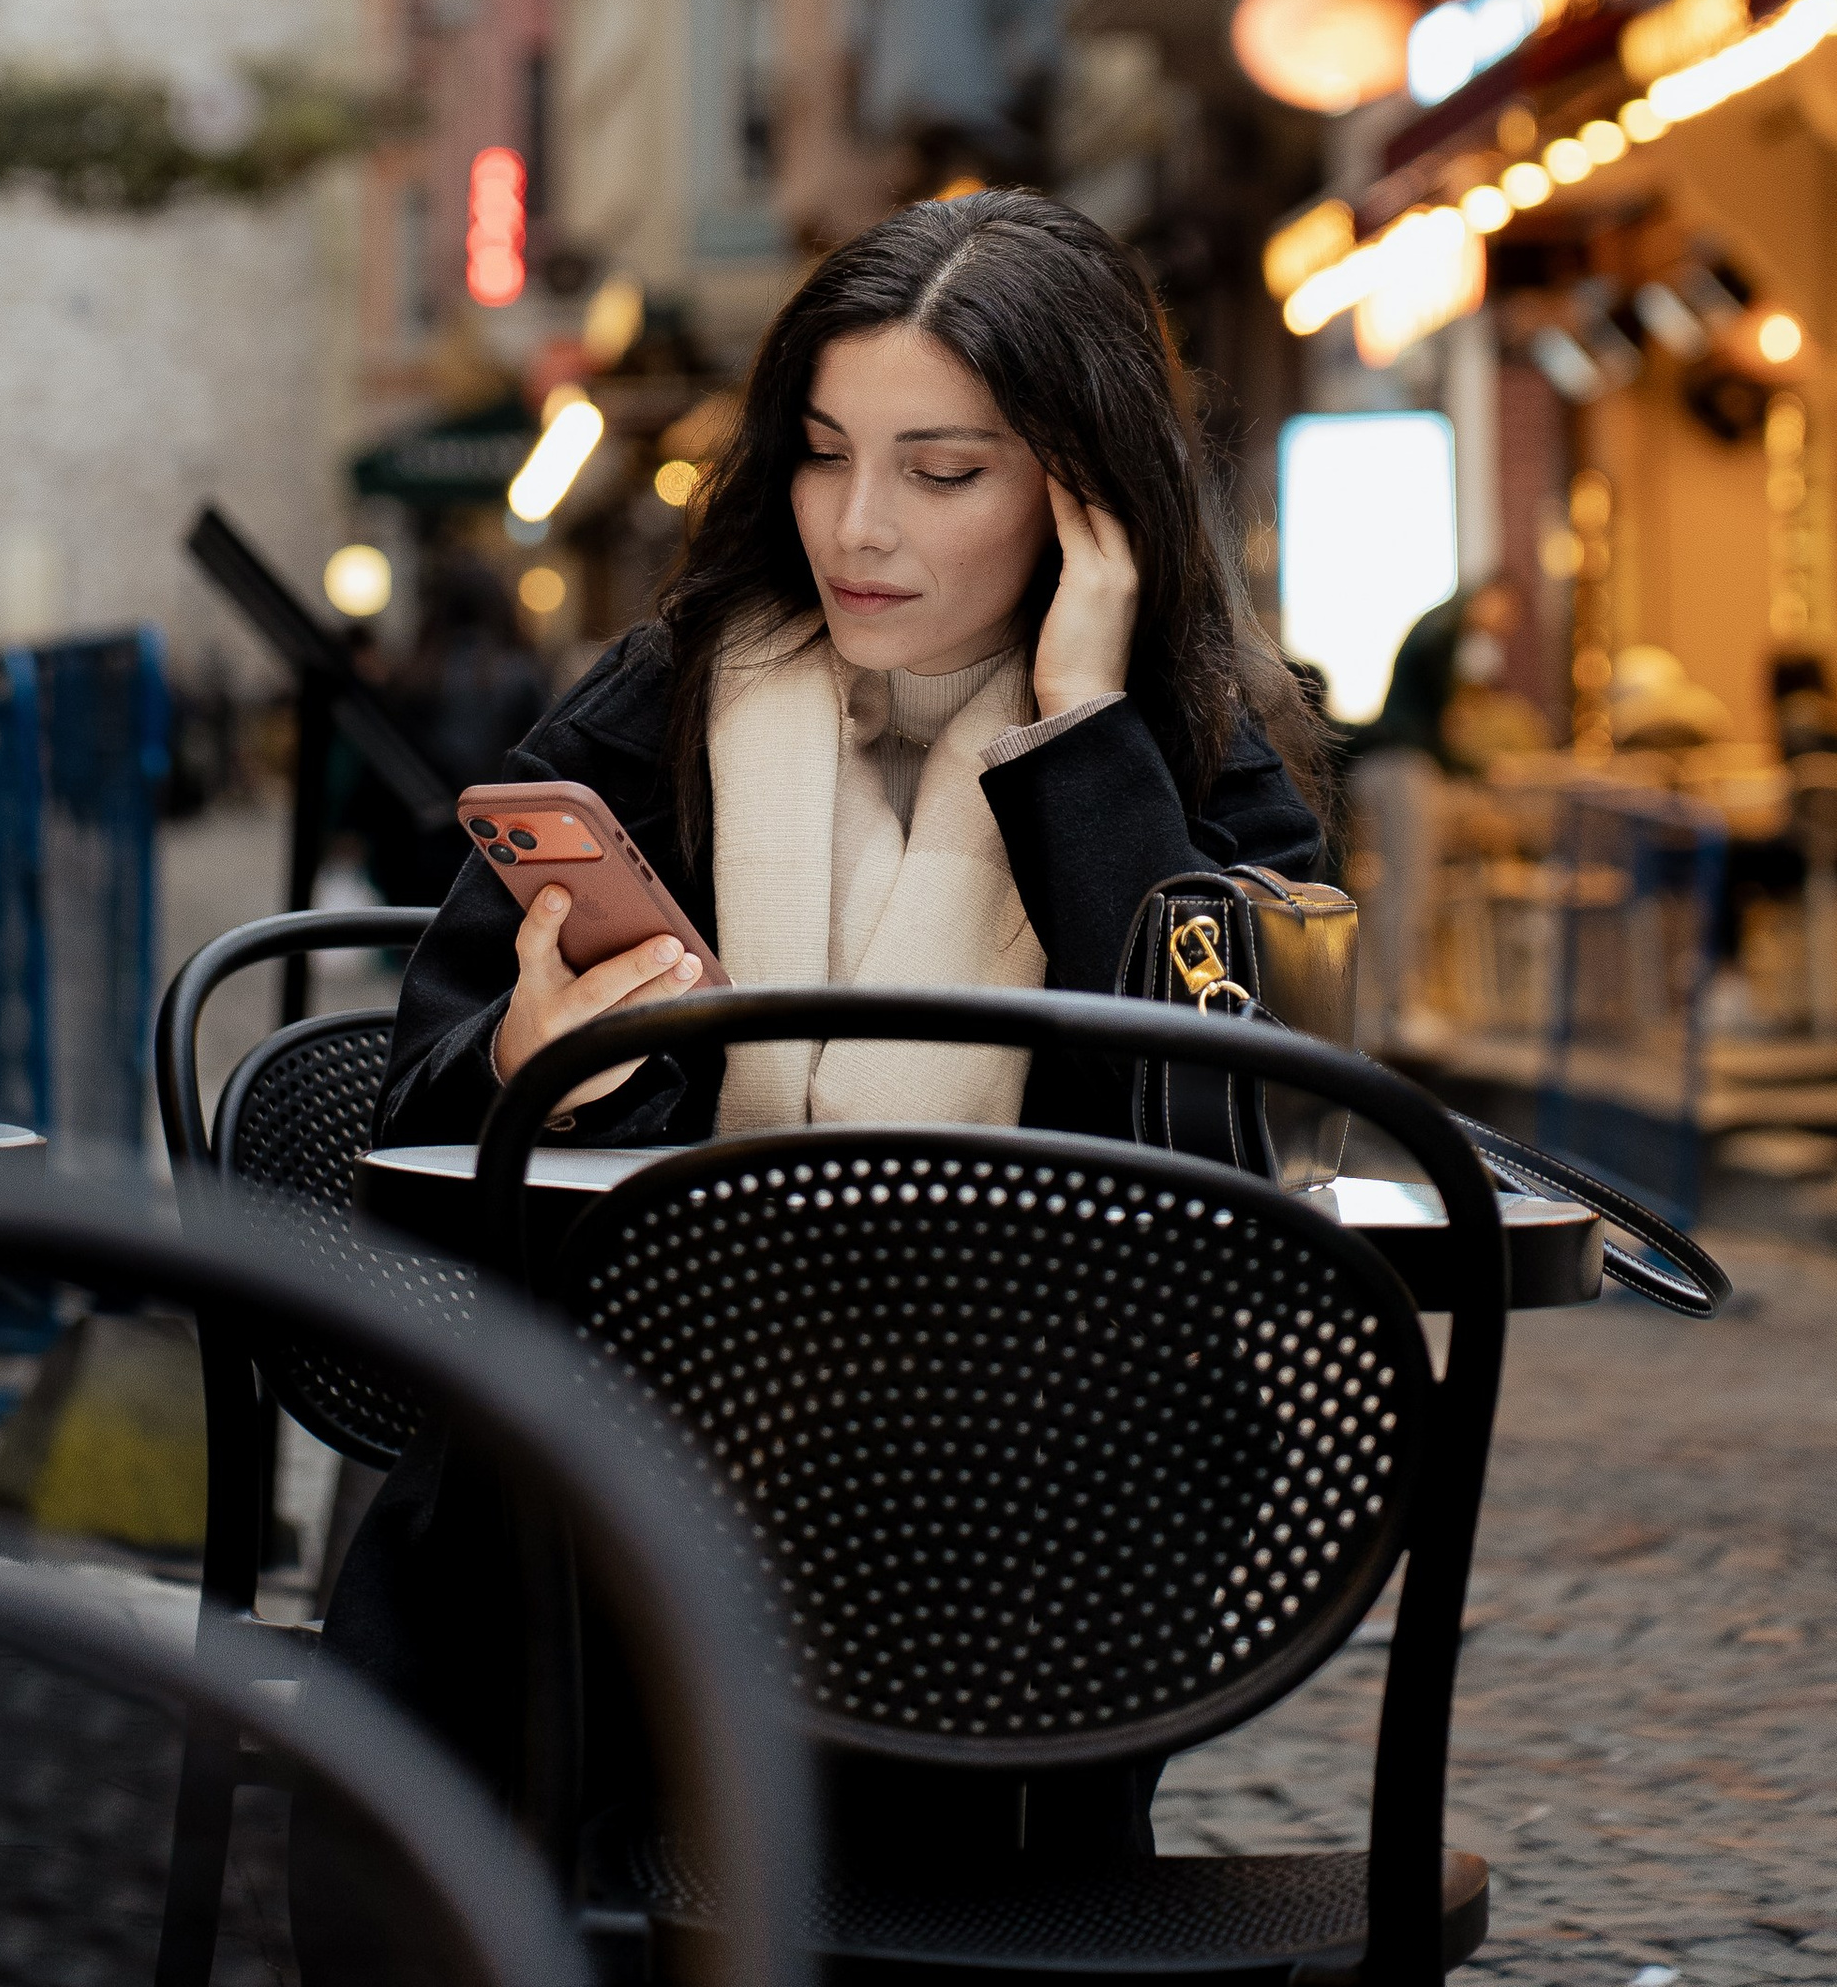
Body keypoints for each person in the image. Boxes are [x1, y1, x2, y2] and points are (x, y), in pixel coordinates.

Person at [310, 190, 1329, 1936]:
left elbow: (1233, 1163)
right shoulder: (664, 705)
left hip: (1013, 1518)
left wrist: (1081, 744)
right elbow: (423, 1135)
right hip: (627, 1503)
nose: (861, 528)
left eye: (946, 472)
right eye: (824, 453)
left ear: (1089, 498)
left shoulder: (1192, 762)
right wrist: (536, 1061)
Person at [1349, 573, 1526, 1049]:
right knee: (1409, 886)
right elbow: (1440, 728)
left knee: (1400, 888)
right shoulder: (1447, 633)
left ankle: (1392, 1008)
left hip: (1397, 764)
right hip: (1403, 769)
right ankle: (1398, 1010)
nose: (1502, 630)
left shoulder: (1440, 633)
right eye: (1502, 616)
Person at [358, 553, 547, 907]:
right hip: (495, 859)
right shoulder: (522, 677)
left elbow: (377, 779)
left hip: (414, 861)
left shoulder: (409, 679)